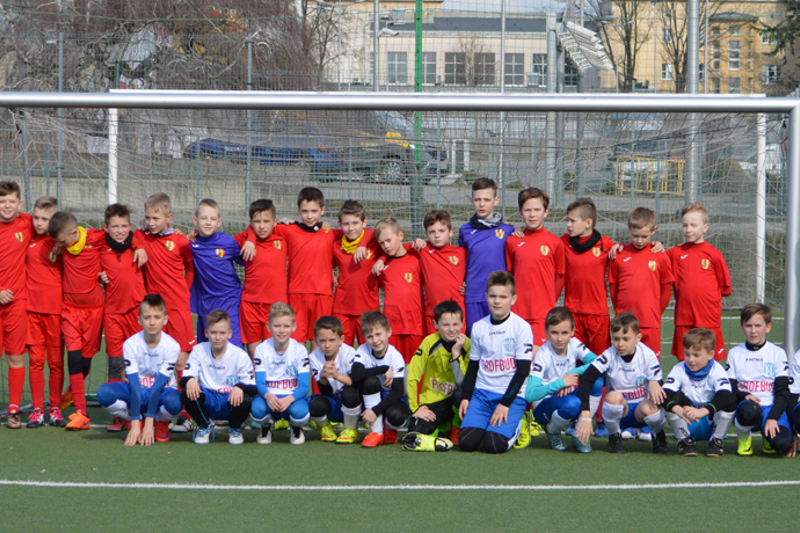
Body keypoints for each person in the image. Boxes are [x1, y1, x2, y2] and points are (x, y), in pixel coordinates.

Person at [132, 193, 196, 432]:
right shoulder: (141, 236)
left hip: (178, 308)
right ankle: (158, 410)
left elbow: (190, 267)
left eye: (156, 218)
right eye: (147, 217)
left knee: (181, 361)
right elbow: (134, 236)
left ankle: (187, 413)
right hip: (156, 312)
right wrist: (139, 246)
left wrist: (184, 293)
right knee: (156, 360)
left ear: (168, 217)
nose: (151, 222)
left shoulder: (180, 241)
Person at [458, 271, 533, 454]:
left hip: (511, 397)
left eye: (503, 297)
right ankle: (487, 422)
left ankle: (520, 424)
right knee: (467, 444)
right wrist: (466, 397)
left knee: (493, 445)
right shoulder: (478, 327)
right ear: (486, 297)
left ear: (513, 299)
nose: (497, 301)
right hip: (482, 395)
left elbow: (523, 371)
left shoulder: (522, 327)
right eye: (493, 296)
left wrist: (505, 404)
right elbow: (473, 367)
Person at [574, 312, 668, 454]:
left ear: (638, 338)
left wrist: (655, 382)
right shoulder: (609, 355)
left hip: (641, 411)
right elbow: (587, 379)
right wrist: (586, 413)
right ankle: (614, 436)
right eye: (616, 339)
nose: (620, 344)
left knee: (654, 406)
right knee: (612, 397)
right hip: (620, 411)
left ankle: (658, 435)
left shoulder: (648, 355)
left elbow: (660, 388)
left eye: (625, 339)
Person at [96, 294, 182, 445]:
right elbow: (134, 383)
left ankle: (159, 421)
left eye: (157, 317)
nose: (152, 322)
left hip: (162, 392)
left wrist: (150, 421)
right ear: (139, 320)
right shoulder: (130, 344)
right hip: (137, 392)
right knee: (104, 393)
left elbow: (159, 385)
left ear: (165, 319)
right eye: (147, 317)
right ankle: (135, 419)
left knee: (176, 403)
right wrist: (136, 422)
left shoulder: (172, 346)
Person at [49, 210, 108, 430]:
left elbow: (121, 235)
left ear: (74, 233)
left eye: (62, 241)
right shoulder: (62, 247)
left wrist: (138, 244)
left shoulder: (95, 238)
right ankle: (81, 413)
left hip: (94, 312)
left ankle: (71, 393)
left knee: (84, 363)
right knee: (73, 359)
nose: (59, 245)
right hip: (70, 311)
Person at [524, 307, 603, 454]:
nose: (560, 338)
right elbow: (530, 394)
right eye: (554, 332)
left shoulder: (574, 343)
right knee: (573, 404)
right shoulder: (543, 354)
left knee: (597, 380)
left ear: (572, 331)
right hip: (544, 406)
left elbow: (597, 362)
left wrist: (574, 372)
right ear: (546, 331)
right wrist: (561, 383)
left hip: (567, 397)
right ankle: (552, 431)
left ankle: (580, 434)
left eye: (564, 333)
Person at [99, 203, 146, 432]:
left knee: (139, 364)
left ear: (130, 226)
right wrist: (99, 276)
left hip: (136, 313)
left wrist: (139, 244)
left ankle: (141, 409)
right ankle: (119, 414)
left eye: (124, 226)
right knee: (116, 363)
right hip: (113, 314)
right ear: (106, 227)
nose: (119, 231)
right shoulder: (99, 247)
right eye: (115, 226)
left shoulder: (138, 244)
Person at [726, 303, 793, 455]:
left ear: (768, 327)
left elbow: (783, 392)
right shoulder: (735, 353)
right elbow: (730, 389)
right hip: (748, 407)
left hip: (771, 408)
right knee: (748, 410)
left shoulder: (777, 353)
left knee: (783, 444)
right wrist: (745, 395)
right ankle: (744, 438)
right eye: (748, 325)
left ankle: (767, 437)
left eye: (758, 325)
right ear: (742, 327)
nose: (753, 331)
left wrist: (773, 417)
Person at [667, 202, 731, 361]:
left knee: (709, 361)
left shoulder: (714, 254)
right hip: (684, 317)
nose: (688, 229)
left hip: (707, 317)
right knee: (685, 361)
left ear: (705, 227)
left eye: (693, 225)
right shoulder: (675, 253)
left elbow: (725, 289)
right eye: (685, 225)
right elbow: (653, 257)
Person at [181, 309, 256, 445]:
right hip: (208, 399)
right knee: (188, 391)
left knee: (244, 398)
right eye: (213, 332)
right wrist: (190, 379)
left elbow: (252, 386)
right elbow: (185, 377)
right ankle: (204, 425)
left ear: (229, 334)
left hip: (229, 401)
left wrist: (240, 386)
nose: (217, 337)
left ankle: (235, 428)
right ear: (206, 333)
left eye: (222, 333)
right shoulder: (199, 350)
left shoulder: (240, 355)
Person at [403, 300, 469, 451]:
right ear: (435, 324)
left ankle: (456, 426)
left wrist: (456, 353)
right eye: (445, 324)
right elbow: (412, 375)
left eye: (455, 324)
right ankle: (442, 428)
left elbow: (462, 382)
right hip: (433, 401)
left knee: (462, 394)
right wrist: (414, 408)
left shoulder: (468, 345)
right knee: (413, 436)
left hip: (457, 401)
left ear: (462, 323)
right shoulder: (429, 342)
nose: (451, 329)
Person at [608, 207, 673, 359]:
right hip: (625, 323)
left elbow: (666, 290)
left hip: (650, 322)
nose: (639, 240)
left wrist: (655, 313)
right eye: (635, 235)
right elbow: (613, 289)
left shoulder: (660, 256)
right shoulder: (619, 255)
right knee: (624, 364)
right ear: (629, 229)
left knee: (650, 364)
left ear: (653, 231)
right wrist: (620, 313)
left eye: (644, 236)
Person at [662, 328, 736, 457]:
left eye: (696, 355)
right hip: (687, 420)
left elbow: (727, 397)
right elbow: (664, 394)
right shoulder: (679, 368)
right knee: (673, 397)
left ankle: (716, 441)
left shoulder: (717, 370)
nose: (690, 359)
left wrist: (702, 411)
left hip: (710, 422)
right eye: (687, 354)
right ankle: (684, 441)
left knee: (730, 400)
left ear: (710, 354)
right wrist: (677, 409)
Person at [505, 188, 564, 347]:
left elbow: (560, 277)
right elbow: (510, 275)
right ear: (520, 212)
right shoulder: (512, 241)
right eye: (527, 210)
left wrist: (549, 300)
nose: (532, 214)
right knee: (517, 355)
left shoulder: (555, 243)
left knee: (538, 355)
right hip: (518, 311)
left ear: (546, 212)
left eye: (537, 210)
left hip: (542, 313)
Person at [25, 195, 64, 427]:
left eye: (45, 219)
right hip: (32, 311)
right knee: (36, 362)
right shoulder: (28, 239)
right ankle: (37, 409)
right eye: (36, 218)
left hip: (56, 313)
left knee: (56, 363)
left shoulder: (63, 243)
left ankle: (55, 408)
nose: (39, 223)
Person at [458, 178, 514, 336]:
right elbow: (461, 262)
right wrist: (461, 281)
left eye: (487, 200)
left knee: (499, 341)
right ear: (471, 201)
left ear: (496, 200)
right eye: (478, 200)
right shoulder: (465, 230)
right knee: (475, 341)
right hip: (474, 295)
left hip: (499, 296)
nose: (482, 204)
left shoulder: (508, 230)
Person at [251, 302, 311, 445]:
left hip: (291, 398)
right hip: (269, 397)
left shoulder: (300, 350)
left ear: (294, 327)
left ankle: (295, 426)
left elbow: (304, 387)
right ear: (268, 326)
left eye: (286, 326)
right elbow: (260, 383)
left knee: (301, 413)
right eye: (277, 326)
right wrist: (268, 396)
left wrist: (289, 399)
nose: (282, 330)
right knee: (256, 410)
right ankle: (267, 426)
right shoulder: (261, 349)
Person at [560, 198, 615, 355]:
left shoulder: (606, 244)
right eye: (568, 220)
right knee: (574, 361)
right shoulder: (564, 242)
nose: (568, 225)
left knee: (599, 362)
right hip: (572, 313)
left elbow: (628, 252)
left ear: (588, 223)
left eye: (572, 221)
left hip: (598, 315)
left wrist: (655, 246)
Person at [233, 199, 288, 356]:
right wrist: (250, 238)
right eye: (257, 222)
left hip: (276, 305)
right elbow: (220, 243)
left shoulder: (283, 235)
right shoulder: (243, 238)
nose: (262, 226)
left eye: (266, 221)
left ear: (275, 222)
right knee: (255, 353)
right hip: (250, 304)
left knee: (274, 352)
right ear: (251, 223)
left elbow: (305, 230)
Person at [190, 198, 244, 347]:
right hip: (206, 304)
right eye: (204, 218)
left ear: (219, 222)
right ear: (195, 220)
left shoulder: (228, 242)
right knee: (207, 349)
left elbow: (248, 261)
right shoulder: (191, 244)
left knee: (233, 347)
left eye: (213, 219)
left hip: (230, 301)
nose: (208, 222)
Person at [351, 310, 409, 447]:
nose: (375, 340)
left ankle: (390, 429)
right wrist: (383, 369)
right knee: (369, 381)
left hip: (391, 398)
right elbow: (356, 375)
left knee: (397, 416)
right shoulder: (363, 350)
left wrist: (374, 411)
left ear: (388, 332)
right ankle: (376, 432)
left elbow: (397, 392)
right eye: (370, 336)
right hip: (370, 396)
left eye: (378, 334)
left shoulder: (395, 357)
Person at [372, 217, 424, 363]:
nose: (386, 246)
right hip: (391, 327)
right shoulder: (381, 266)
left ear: (401, 235)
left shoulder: (416, 260)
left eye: (389, 240)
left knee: (416, 369)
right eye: (382, 243)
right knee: (393, 368)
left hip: (415, 325)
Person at [331, 200, 379, 347]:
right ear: (339, 224)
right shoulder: (336, 245)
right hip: (342, 308)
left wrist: (364, 245)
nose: (351, 228)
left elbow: (379, 229)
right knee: (342, 351)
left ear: (364, 222)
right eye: (346, 224)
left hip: (368, 308)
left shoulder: (374, 244)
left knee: (371, 351)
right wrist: (331, 277)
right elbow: (325, 265)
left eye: (355, 223)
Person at [411, 210, 466, 335]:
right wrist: (382, 259)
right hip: (433, 313)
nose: (437, 235)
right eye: (432, 232)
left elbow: (477, 269)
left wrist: (469, 286)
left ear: (451, 232)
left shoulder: (462, 253)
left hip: (457, 313)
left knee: (458, 346)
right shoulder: (423, 250)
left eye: (441, 231)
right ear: (426, 234)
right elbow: (397, 249)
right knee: (435, 347)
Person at [307, 315, 361, 444]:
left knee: (350, 393)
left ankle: (350, 429)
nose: (327, 345)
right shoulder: (314, 357)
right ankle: (324, 427)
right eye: (322, 341)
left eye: (332, 340)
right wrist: (323, 377)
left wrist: (337, 375)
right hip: (334, 402)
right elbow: (326, 392)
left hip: (354, 404)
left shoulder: (350, 353)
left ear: (341, 340)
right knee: (314, 403)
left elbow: (357, 384)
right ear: (316, 341)